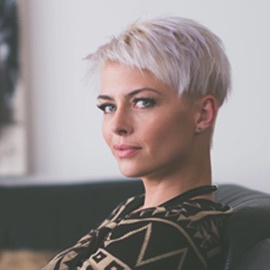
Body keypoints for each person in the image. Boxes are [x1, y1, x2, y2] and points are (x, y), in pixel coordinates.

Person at [42, 16, 233, 270]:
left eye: (143, 102)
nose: (117, 125)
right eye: (108, 106)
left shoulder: (166, 235)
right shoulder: (135, 207)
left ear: (203, 114)